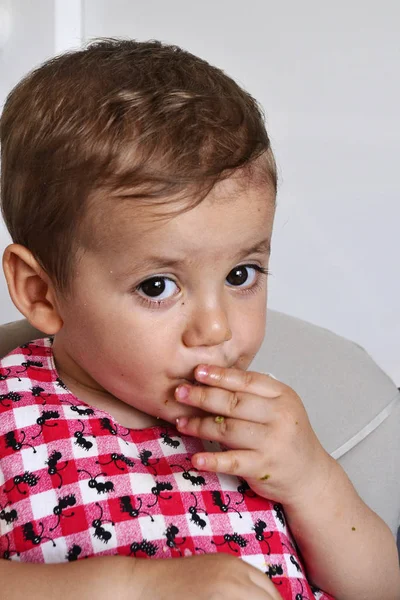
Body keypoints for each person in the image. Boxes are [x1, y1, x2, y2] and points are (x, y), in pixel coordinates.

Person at [0, 39, 398, 600]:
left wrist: (312, 479)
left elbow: (379, 588)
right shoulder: (11, 412)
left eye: (242, 274)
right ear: (41, 291)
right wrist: (135, 589)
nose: (216, 329)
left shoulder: (266, 420)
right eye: (158, 286)